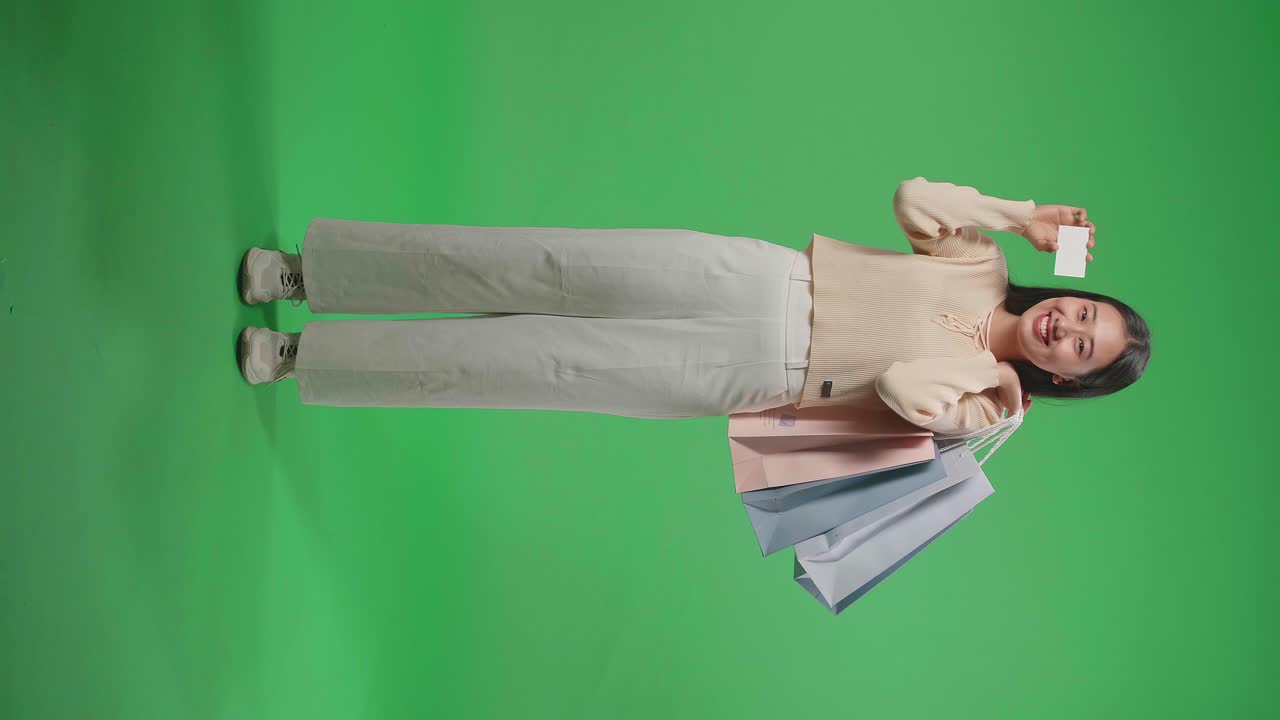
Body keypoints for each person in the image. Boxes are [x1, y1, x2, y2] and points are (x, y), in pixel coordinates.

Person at [236, 176, 1151, 435]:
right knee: (536, 264)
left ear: (1068, 378)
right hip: (759, 279)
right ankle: (311, 274)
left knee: (528, 366)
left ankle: (303, 359)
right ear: (1070, 293)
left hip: (755, 371)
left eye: (1082, 349)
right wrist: (1021, 215)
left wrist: (992, 383)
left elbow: (903, 390)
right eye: (1084, 313)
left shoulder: (986, 401)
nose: (1068, 328)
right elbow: (916, 197)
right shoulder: (982, 263)